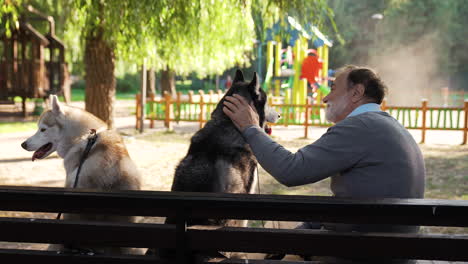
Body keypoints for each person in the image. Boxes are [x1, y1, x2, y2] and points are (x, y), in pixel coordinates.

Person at [222, 65, 426, 264]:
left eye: (334, 88)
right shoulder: (389, 126)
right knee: (280, 229)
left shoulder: (359, 127)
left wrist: (250, 127)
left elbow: (291, 171)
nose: (325, 97)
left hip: (359, 254)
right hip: (387, 249)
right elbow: (352, 203)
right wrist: (308, 228)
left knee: (258, 242)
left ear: (357, 93)